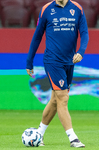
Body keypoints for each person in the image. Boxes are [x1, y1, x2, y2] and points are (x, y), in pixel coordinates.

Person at [26, 0, 89, 148]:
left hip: (69, 61)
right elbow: (37, 36)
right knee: (63, 97)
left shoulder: (77, 9)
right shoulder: (46, 9)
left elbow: (84, 33)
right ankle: (73, 138)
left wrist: (81, 51)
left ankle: (39, 134)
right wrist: (29, 60)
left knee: (55, 99)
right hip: (52, 61)